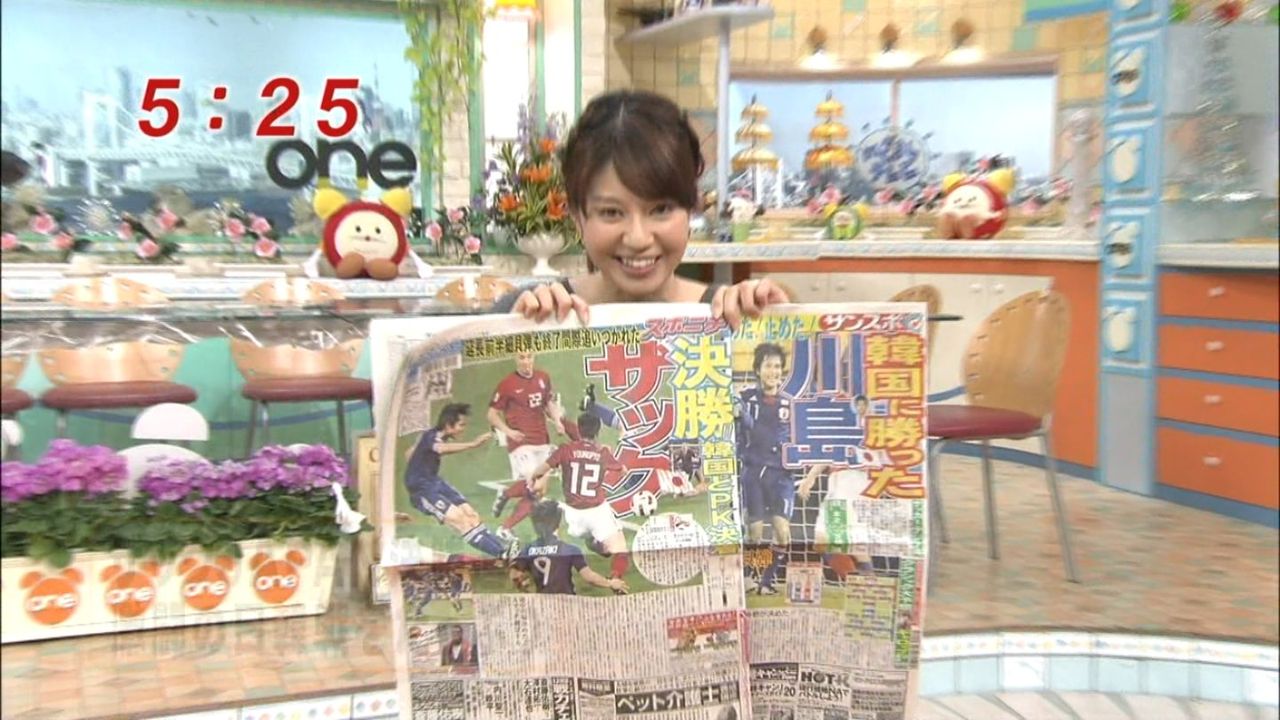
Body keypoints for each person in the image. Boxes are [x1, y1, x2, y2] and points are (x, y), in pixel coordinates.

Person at [489, 90, 788, 328]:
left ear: (690, 210)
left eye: (661, 209)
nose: (638, 238)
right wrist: (511, 335)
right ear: (577, 217)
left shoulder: (730, 318)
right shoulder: (526, 313)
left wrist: (781, 325)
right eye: (611, 212)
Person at [403, 403, 517, 560]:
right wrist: (473, 444)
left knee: (471, 514)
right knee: (460, 520)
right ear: (448, 425)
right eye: (461, 425)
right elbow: (440, 448)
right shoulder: (432, 438)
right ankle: (501, 554)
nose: (463, 429)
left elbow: (408, 454)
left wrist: (417, 462)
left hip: (434, 481)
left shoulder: (429, 436)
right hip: (422, 490)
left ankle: (503, 549)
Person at [529, 412, 632, 585]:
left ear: (579, 429)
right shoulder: (602, 452)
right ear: (598, 431)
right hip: (598, 513)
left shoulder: (565, 449)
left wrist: (534, 478)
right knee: (620, 550)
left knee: (577, 533)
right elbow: (623, 471)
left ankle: (592, 541)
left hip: (572, 516)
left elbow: (540, 470)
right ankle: (615, 579)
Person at [738, 343, 796, 595]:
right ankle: (749, 576)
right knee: (754, 533)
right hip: (754, 472)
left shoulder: (790, 404)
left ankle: (767, 581)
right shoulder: (744, 399)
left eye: (777, 366)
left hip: (781, 476)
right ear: (757, 370)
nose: (773, 371)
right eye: (768, 366)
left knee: (783, 533)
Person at [488, 351, 558, 540]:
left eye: (529, 356)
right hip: (521, 442)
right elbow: (492, 414)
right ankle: (504, 527)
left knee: (539, 491)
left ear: (533, 357)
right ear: (516, 359)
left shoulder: (543, 377)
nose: (526, 361)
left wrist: (558, 421)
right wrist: (509, 432)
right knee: (534, 488)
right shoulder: (507, 384)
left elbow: (548, 403)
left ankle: (506, 498)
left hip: (542, 440)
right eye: (521, 357)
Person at [510, 500, 629, 596]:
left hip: (542, 604)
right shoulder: (570, 550)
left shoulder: (528, 550)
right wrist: (610, 583)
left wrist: (524, 589)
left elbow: (515, 575)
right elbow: (589, 577)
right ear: (558, 522)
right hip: (566, 605)